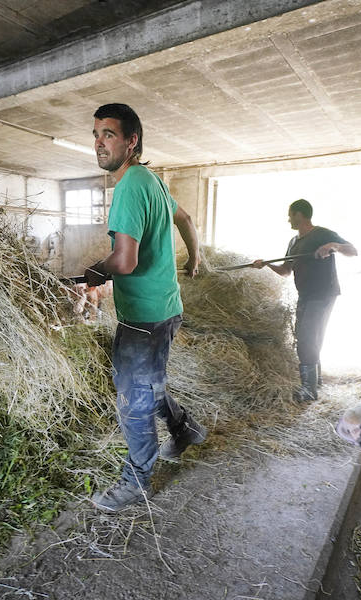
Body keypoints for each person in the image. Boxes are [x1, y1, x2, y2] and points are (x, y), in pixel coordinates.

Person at [84, 103, 207, 512]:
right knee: (149, 384)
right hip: (167, 309)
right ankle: (184, 430)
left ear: (131, 141)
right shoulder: (151, 180)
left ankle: (135, 480)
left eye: (110, 135)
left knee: (133, 399)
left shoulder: (129, 187)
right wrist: (196, 257)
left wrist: (94, 271)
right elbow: (185, 217)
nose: (100, 143)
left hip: (143, 318)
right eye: (97, 134)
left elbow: (124, 262)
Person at [252, 199, 357, 401]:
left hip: (323, 293)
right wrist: (265, 264)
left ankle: (309, 390)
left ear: (299, 215)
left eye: (290, 214)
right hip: (305, 295)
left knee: (308, 336)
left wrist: (332, 246)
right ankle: (315, 380)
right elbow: (285, 271)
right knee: (305, 335)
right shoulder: (294, 242)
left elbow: (352, 251)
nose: (288, 219)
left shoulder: (323, 234)